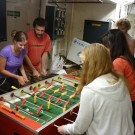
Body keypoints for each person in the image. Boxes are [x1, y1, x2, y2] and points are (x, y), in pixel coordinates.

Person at [58, 43, 134, 135]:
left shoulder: (90, 90)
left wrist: (63, 129)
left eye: (83, 63)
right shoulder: (120, 81)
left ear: (90, 65)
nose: (82, 67)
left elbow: (79, 129)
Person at [101, 29, 135, 126]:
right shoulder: (127, 57)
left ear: (114, 46)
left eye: (106, 46)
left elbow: (113, 87)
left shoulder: (119, 62)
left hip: (129, 102)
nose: (105, 49)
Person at [24, 17, 51, 83]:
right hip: (26, 68)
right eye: (37, 30)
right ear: (34, 28)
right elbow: (24, 55)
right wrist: (33, 70)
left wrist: (43, 68)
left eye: (42, 31)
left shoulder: (47, 37)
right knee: (26, 88)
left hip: (38, 67)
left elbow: (45, 53)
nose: (40, 32)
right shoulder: (27, 35)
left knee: (39, 87)